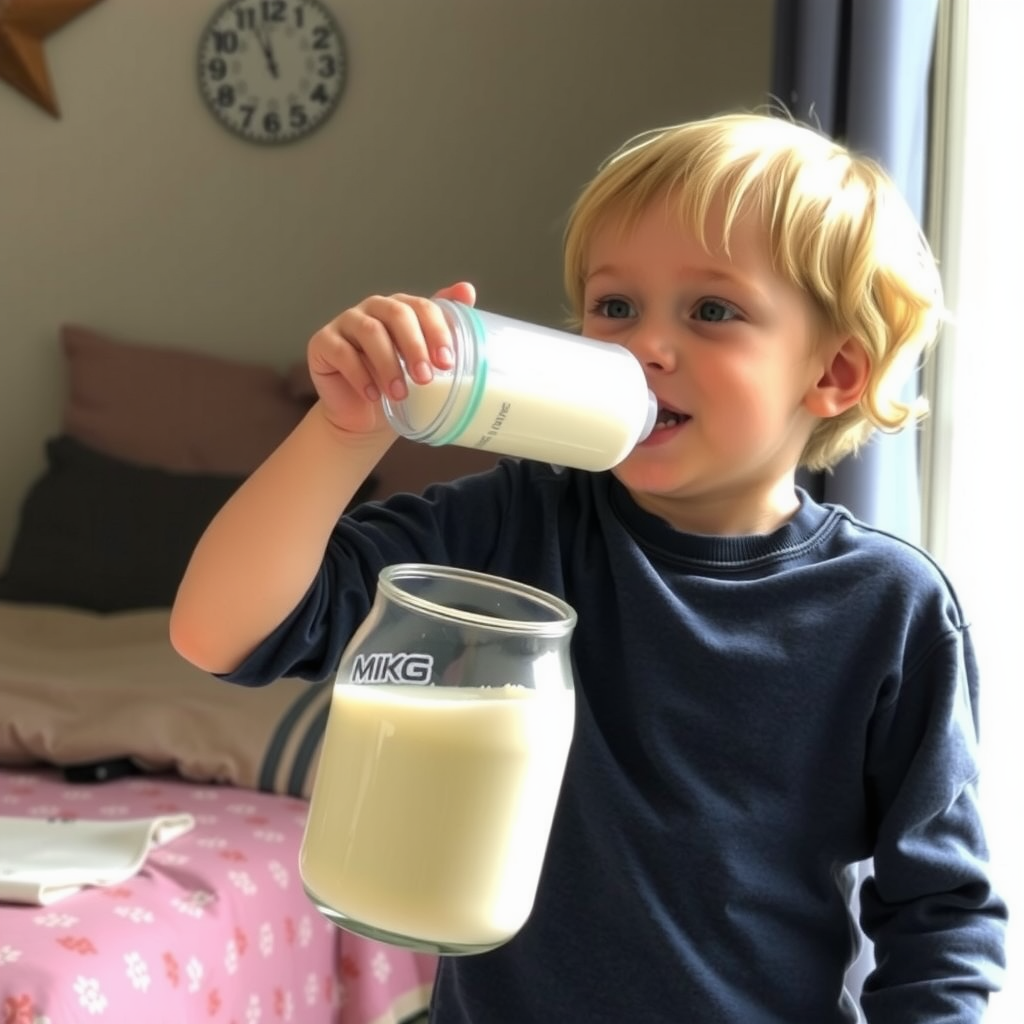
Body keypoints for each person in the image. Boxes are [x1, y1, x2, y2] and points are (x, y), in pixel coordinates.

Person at [170, 111, 1007, 1022]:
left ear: (836, 373)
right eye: (615, 306)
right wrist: (346, 429)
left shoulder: (890, 608)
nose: (643, 346)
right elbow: (224, 633)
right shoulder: (518, 522)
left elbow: (941, 917)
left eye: (713, 310)